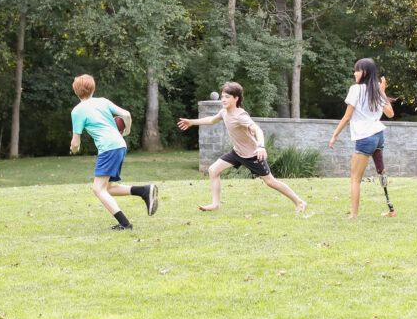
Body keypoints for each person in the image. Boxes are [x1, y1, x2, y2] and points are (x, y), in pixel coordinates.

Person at [178, 82, 307, 213]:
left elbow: (257, 129)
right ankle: (215, 204)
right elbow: (211, 120)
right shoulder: (224, 112)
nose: (223, 99)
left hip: (252, 155)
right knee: (213, 170)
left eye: (227, 97)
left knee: (270, 182)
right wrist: (191, 122)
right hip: (237, 153)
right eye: (222, 96)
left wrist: (261, 146)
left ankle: (300, 202)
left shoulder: (241, 116)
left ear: (236, 98)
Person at [69, 74, 157, 230]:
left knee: (98, 189)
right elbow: (126, 114)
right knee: (107, 188)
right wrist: (127, 131)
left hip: (108, 148)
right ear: (93, 88)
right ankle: (144, 191)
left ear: (75, 91)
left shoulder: (77, 111)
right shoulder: (103, 101)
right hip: (120, 145)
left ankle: (125, 224)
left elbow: (75, 143)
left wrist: (74, 149)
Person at [328, 58, 395, 218]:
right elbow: (390, 114)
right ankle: (391, 210)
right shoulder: (377, 90)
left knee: (355, 179)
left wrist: (334, 135)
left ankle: (354, 214)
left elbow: (347, 117)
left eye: (356, 70)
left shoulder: (356, 89)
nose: (354, 73)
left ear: (363, 72)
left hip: (365, 137)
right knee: (381, 171)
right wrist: (383, 91)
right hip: (379, 135)